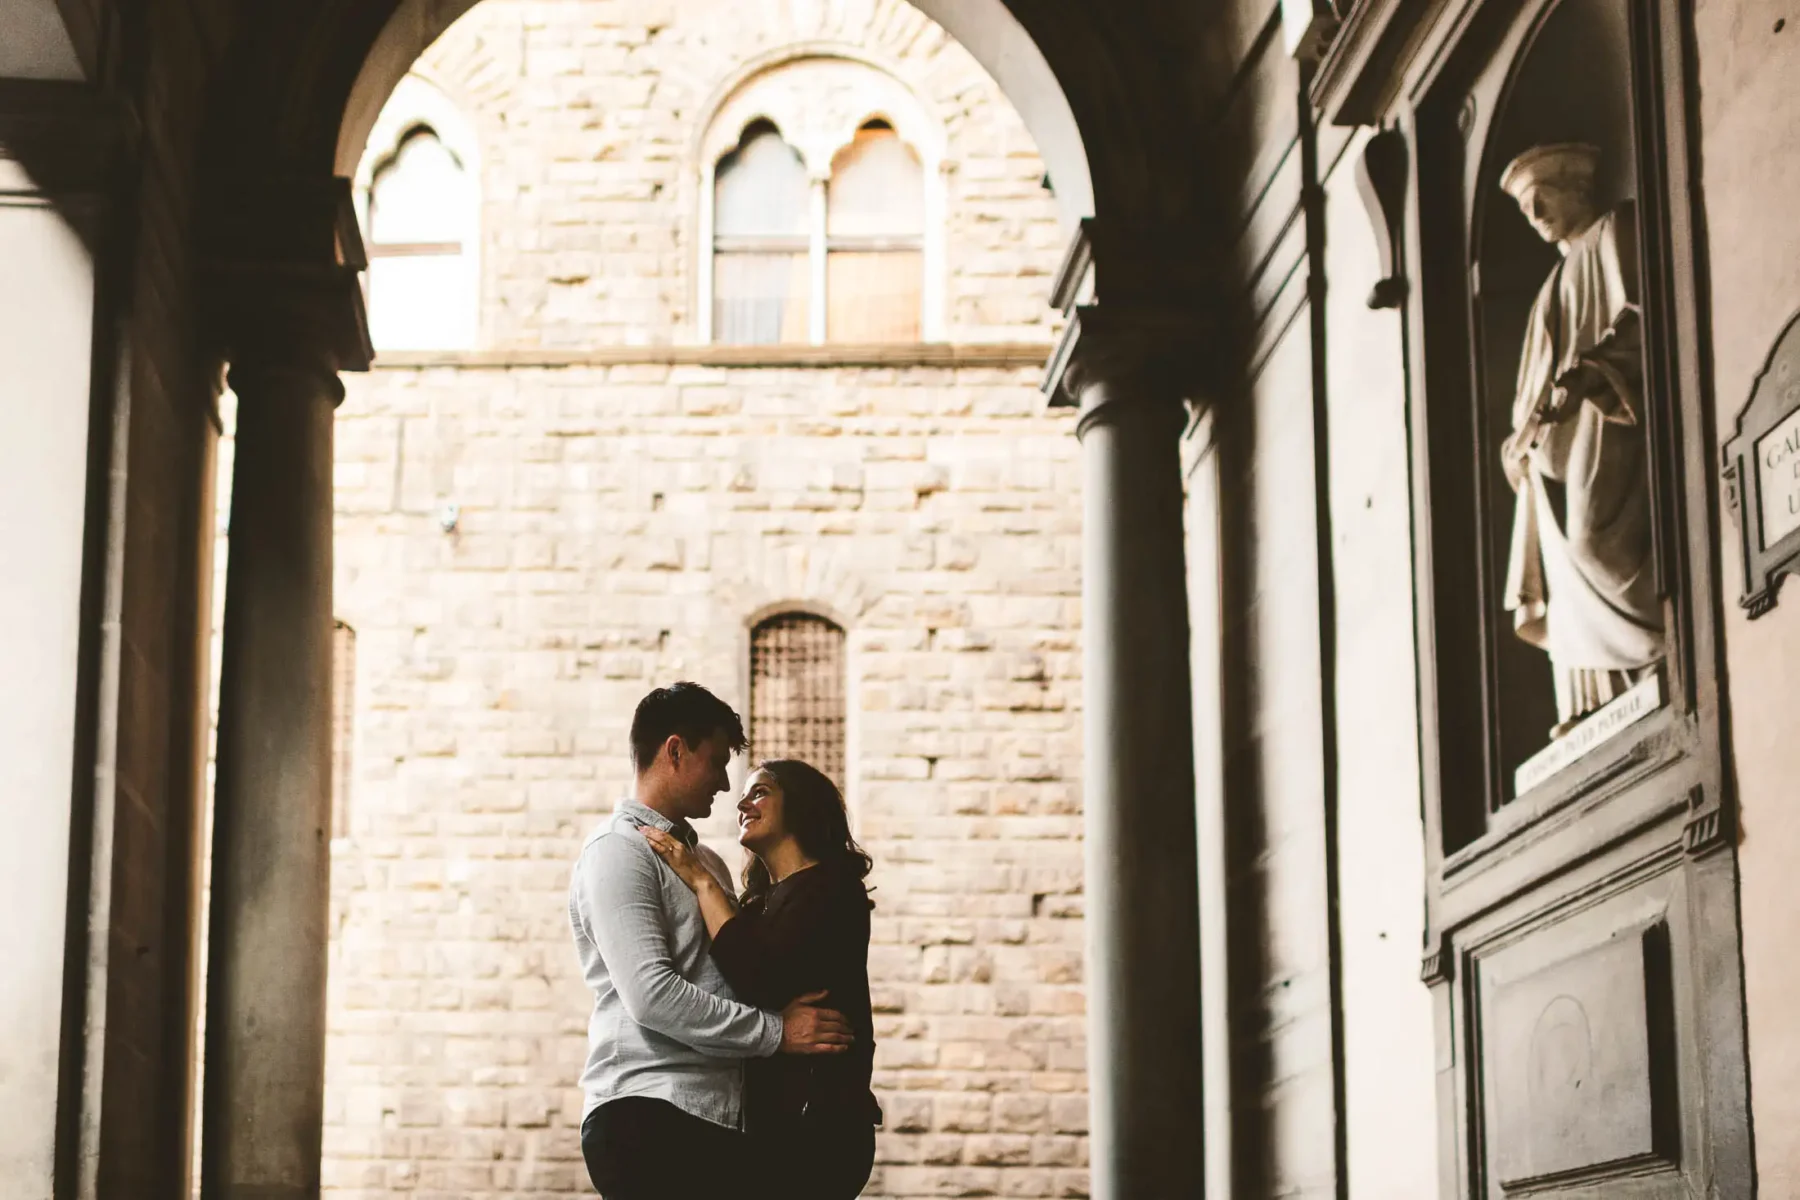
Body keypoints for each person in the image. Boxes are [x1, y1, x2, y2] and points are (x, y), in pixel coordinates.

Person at [569, 683, 855, 1200]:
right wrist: (779, 1032)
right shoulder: (618, 850)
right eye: (718, 762)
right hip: (649, 1111)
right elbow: (651, 996)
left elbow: (749, 969)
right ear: (675, 751)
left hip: (717, 1119)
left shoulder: (710, 866)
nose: (726, 785)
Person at [643, 759, 881, 1200]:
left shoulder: (833, 888)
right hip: (773, 1125)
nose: (743, 804)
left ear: (800, 805)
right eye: (744, 795)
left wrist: (701, 880)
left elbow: (757, 976)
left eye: (761, 792)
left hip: (822, 1127)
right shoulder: (758, 906)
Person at [1498, 141, 1663, 738]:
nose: (1536, 214)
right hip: (1553, 438)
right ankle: (1590, 700)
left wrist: (1590, 373)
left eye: (1542, 199)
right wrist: (1521, 436)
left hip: (1604, 409)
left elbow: (1641, 313)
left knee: (1594, 542)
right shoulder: (1547, 287)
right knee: (1558, 565)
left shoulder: (1615, 231)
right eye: (1526, 208)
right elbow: (1528, 386)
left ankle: (1650, 652)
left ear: (1576, 189)